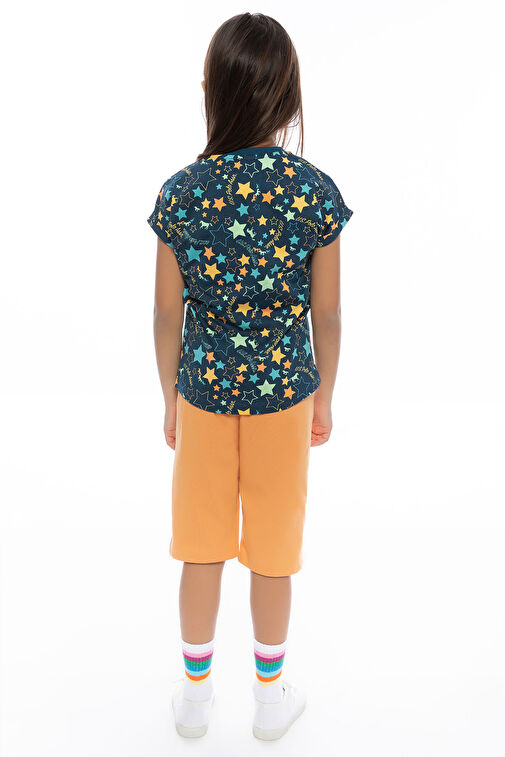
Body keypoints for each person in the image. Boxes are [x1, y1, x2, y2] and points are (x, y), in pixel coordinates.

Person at [146, 12, 353, 741]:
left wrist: (169, 398)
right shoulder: (313, 193)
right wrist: (324, 395)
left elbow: (165, 314)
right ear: (290, 96)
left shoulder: (181, 194)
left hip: (203, 394)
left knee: (200, 546)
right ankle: (269, 698)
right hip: (284, 397)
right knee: (272, 550)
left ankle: (195, 695)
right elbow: (327, 314)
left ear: (209, 89)